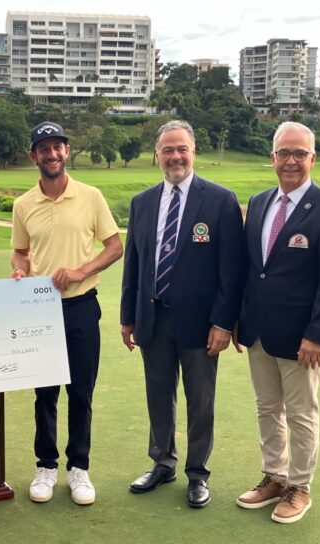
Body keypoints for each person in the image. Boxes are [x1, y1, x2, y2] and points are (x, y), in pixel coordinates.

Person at [120, 120, 245, 508]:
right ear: (157, 155)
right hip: (153, 319)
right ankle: (162, 462)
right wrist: (129, 317)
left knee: (200, 400)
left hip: (202, 324)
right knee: (158, 395)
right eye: (167, 150)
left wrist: (224, 322)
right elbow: (134, 265)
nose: (175, 156)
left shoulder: (220, 200)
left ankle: (197, 473)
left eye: (182, 148)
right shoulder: (142, 202)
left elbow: (232, 270)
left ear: (194, 151)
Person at [235, 121, 320, 524]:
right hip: (258, 333)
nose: (290, 161)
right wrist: (239, 320)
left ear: (312, 159)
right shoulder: (259, 201)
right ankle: (274, 476)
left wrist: (318, 335)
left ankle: (299, 486)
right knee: (268, 408)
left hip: (303, 339)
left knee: (301, 413)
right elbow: (253, 272)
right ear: (272, 158)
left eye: (299, 153)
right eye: (283, 153)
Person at [11, 121, 123, 506]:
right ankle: (45, 465)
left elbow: (114, 246)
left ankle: (79, 468)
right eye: (44, 148)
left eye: (58, 147)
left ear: (67, 151)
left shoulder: (90, 197)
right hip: (40, 309)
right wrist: (21, 270)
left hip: (81, 307)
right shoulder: (24, 204)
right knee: (44, 393)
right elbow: (21, 252)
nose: (52, 154)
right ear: (34, 156)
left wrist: (80, 271)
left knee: (81, 392)